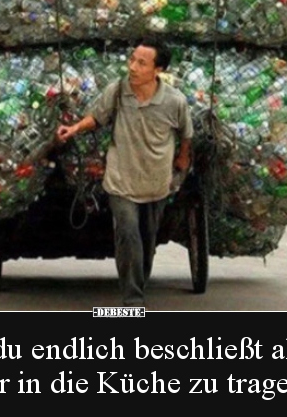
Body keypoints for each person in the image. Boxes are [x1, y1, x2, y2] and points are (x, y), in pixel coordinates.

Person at [56, 39, 194, 307]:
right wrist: (73, 129)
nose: (133, 67)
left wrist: (183, 158)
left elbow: (186, 134)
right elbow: (97, 117)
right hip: (120, 179)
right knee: (128, 234)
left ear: (158, 69)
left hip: (156, 183)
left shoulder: (174, 101)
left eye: (142, 63)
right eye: (132, 60)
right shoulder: (118, 91)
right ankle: (133, 301)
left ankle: (138, 285)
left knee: (147, 238)